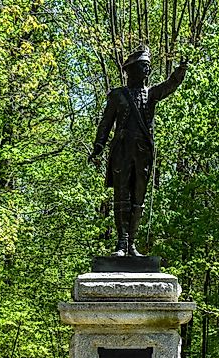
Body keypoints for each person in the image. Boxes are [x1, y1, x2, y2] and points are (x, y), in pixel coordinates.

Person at [89, 46, 187, 257]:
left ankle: (132, 244)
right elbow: (106, 122)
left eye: (148, 67)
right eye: (143, 67)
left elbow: (169, 86)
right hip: (122, 151)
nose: (147, 71)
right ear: (131, 70)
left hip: (142, 153)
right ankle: (121, 243)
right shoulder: (118, 95)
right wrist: (99, 144)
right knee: (121, 195)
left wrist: (180, 72)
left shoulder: (150, 94)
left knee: (138, 198)